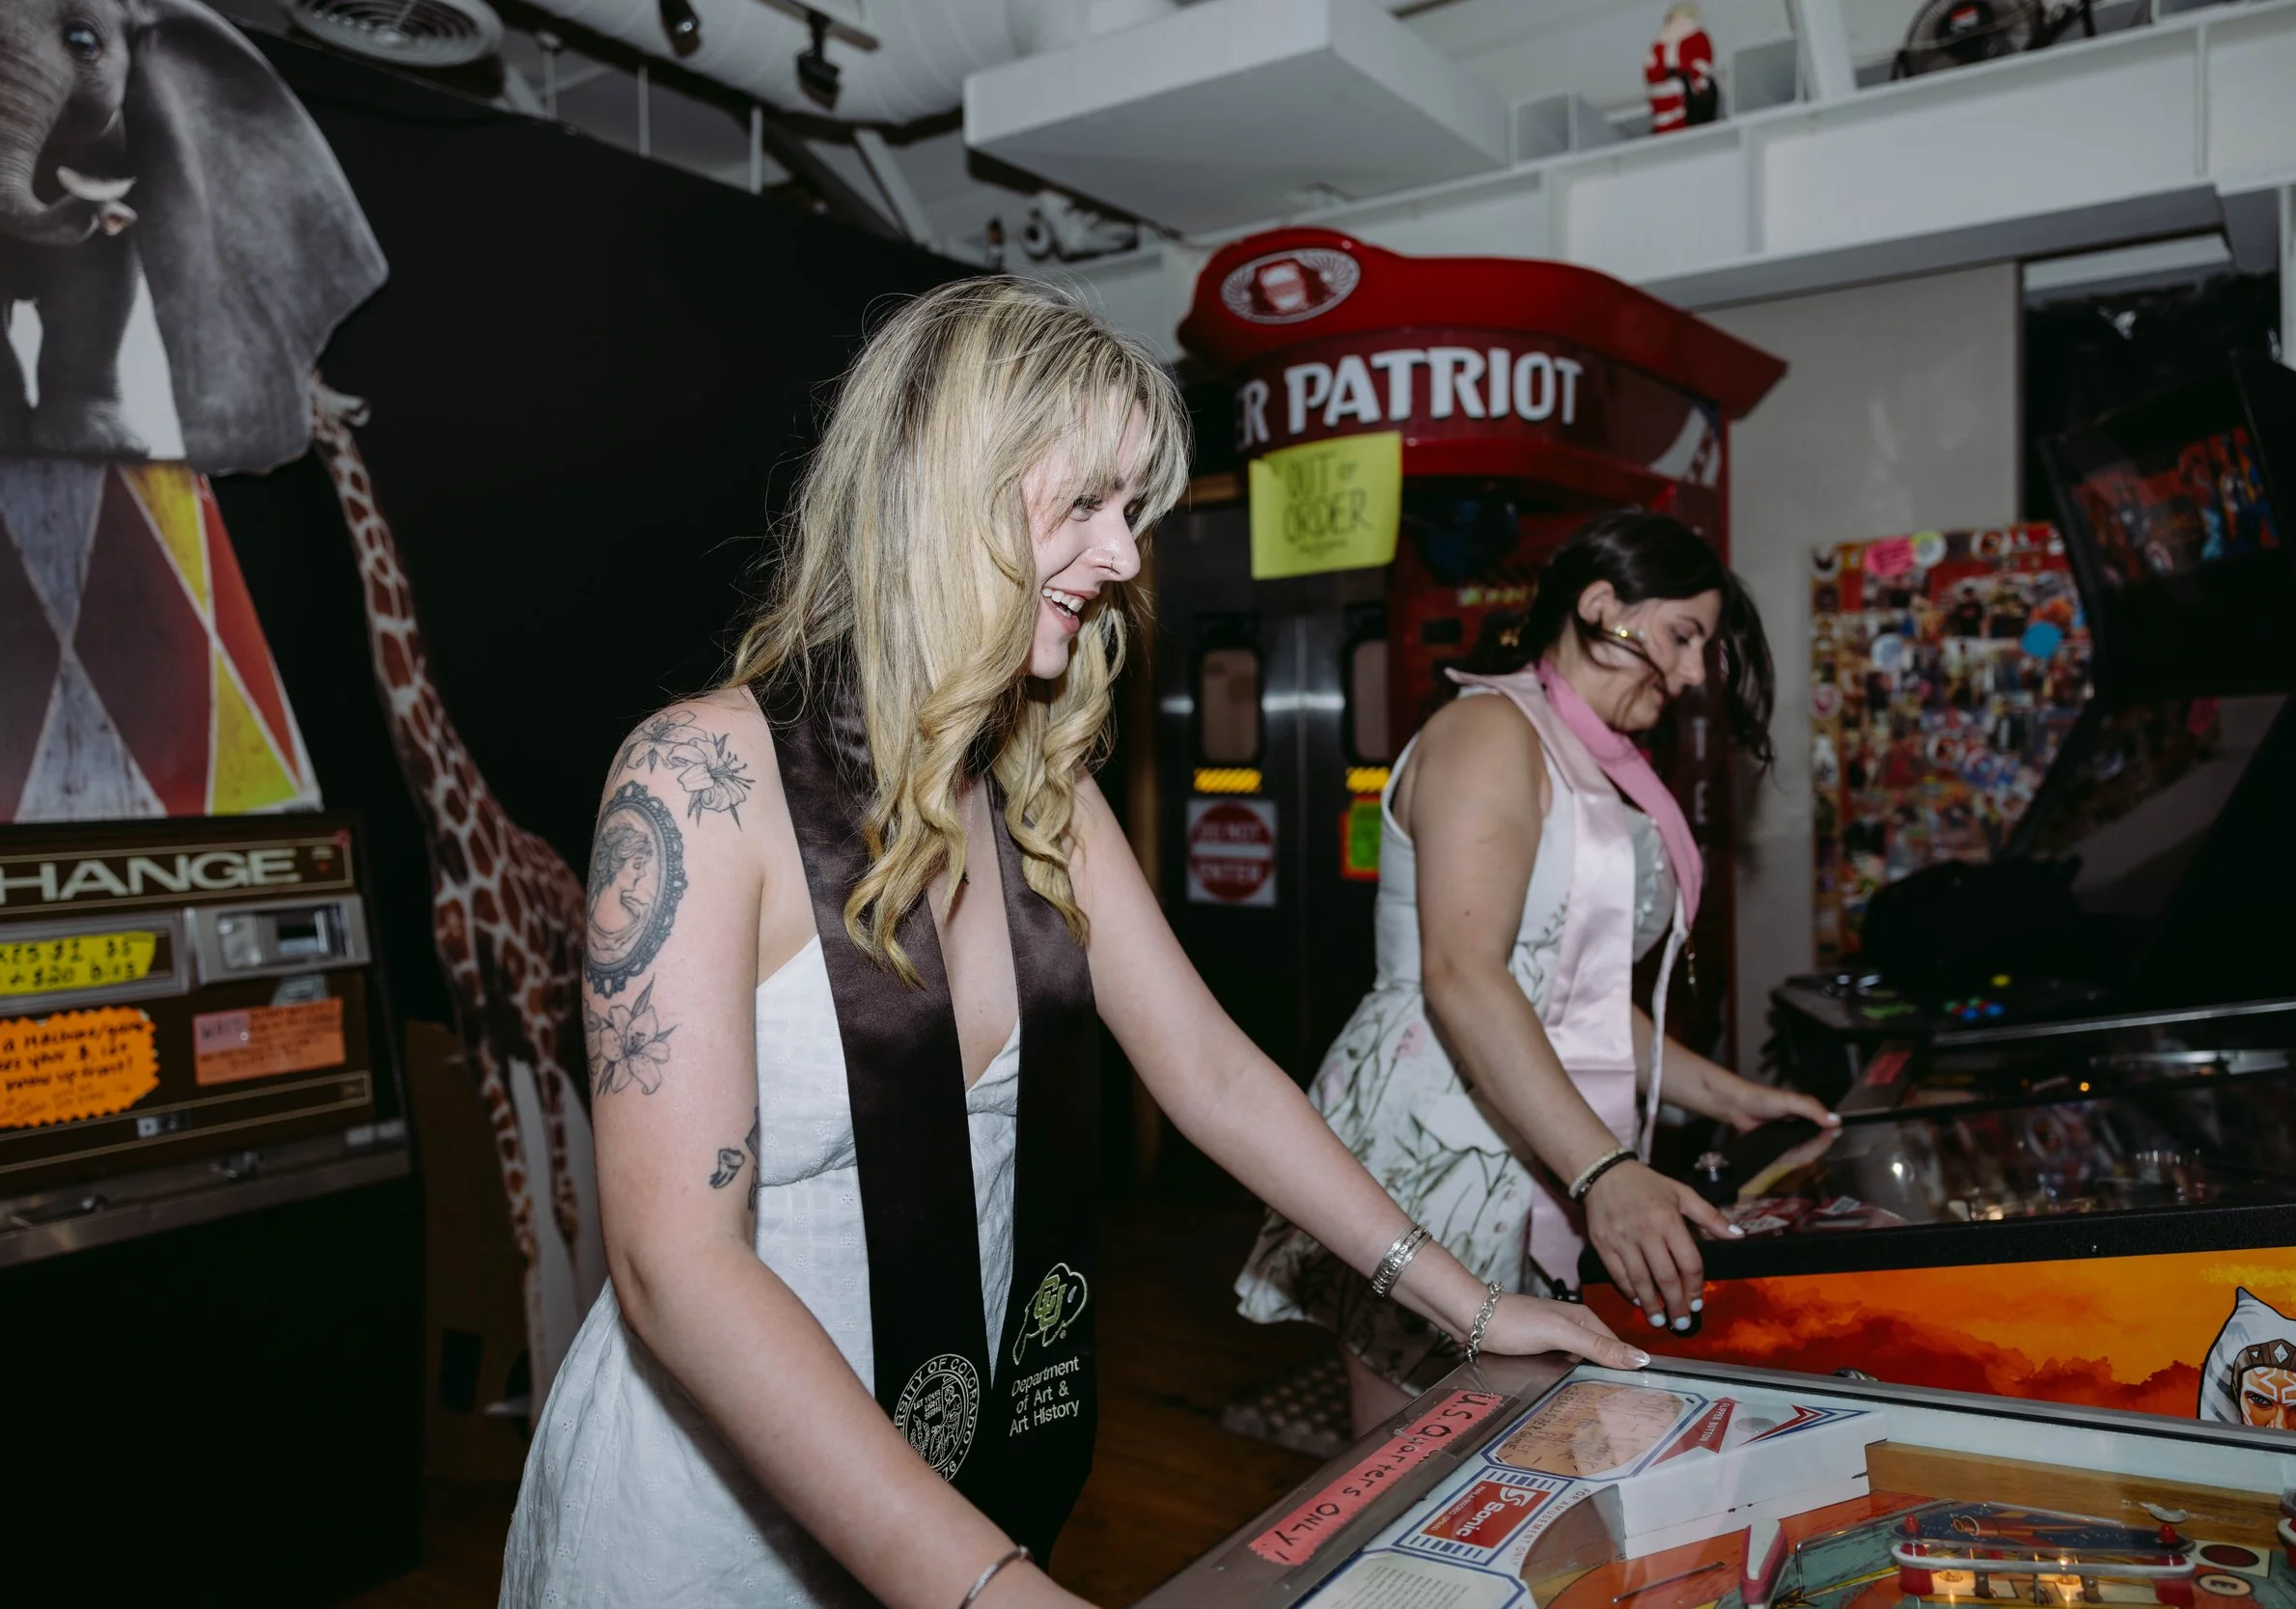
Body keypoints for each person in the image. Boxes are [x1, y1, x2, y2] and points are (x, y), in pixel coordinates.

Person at [500, 278, 1642, 1609]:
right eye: (1087, 503)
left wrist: (1470, 1306)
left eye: (1131, 513)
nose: (1122, 556)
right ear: (946, 483)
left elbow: (1209, 1069)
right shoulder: (698, 776)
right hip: (716, 1520)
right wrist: (988, 1586)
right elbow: (673, 1261)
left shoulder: (1044, 790)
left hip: (963, 1466)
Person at [1237, 512, 1837, 1436]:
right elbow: (1466, 976)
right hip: (1440, 1132)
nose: (1689, 673)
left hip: (1536, 1130)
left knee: (1522, 1451)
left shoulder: (1598, 765)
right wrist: (1604, 1172)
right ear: (1603, 607)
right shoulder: (1489, 730)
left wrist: (1737, 1100)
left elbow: (1581, 1001)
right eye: (1683, 636)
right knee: (1415, 1458)